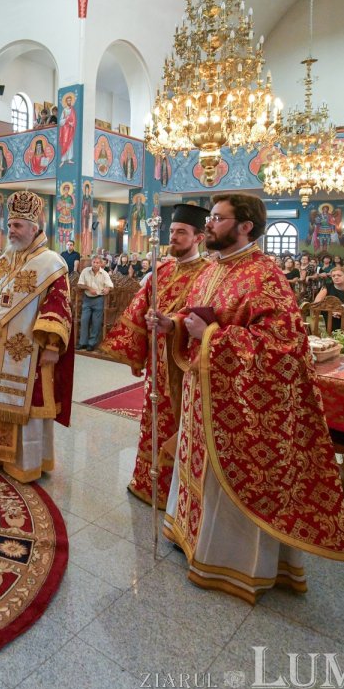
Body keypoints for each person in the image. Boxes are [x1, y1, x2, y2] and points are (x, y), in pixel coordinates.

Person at [150, 193, 344, 602]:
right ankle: (189, 537)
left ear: (244, 227)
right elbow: (196, 313)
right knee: (197, 469)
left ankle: (231, 562)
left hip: (240, 405)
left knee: (227, 475)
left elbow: (281, 347)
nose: (209, 225)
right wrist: (172, 323)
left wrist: (208, 337)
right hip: (203, 391)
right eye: (210, 219)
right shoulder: (212, 270)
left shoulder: (265, 276)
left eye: (218, 219)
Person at [101, 203, 209, 505]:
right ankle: (150, 484)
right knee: (153, 420)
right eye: (172, 232)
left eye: (181, 233)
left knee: (181, 423)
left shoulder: (207, 274)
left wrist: (172, 326)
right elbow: (137, 311)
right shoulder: (160, 271)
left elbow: (209, 320)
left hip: (185, 366)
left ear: (198, 237)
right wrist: (137, 354)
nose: (173, 237)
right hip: (156, 364)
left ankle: (178, 496)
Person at [0, 190, 74, 483]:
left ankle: (24, 462)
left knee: (28, 402)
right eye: (10, 225)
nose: (11, 231)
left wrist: (53, 345)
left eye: (17, 226)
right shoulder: (5, 259)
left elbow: (60, 305)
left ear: (34, 227)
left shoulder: (52, 263)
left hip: (32, 348)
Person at [76, 255, 113, 351]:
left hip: (99, 299)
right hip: (87, 298)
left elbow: (110, 286)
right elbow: (79, 284)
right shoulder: (85, 271)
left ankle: (91, 344)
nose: (95, 264)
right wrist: (89, 288)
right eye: (94, 262)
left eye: (97, 263)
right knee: (84, 320)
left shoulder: (104, 273)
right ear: (91, 263)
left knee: (96, 322)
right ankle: (82, 343)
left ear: (101, 264)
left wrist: (107, 289)